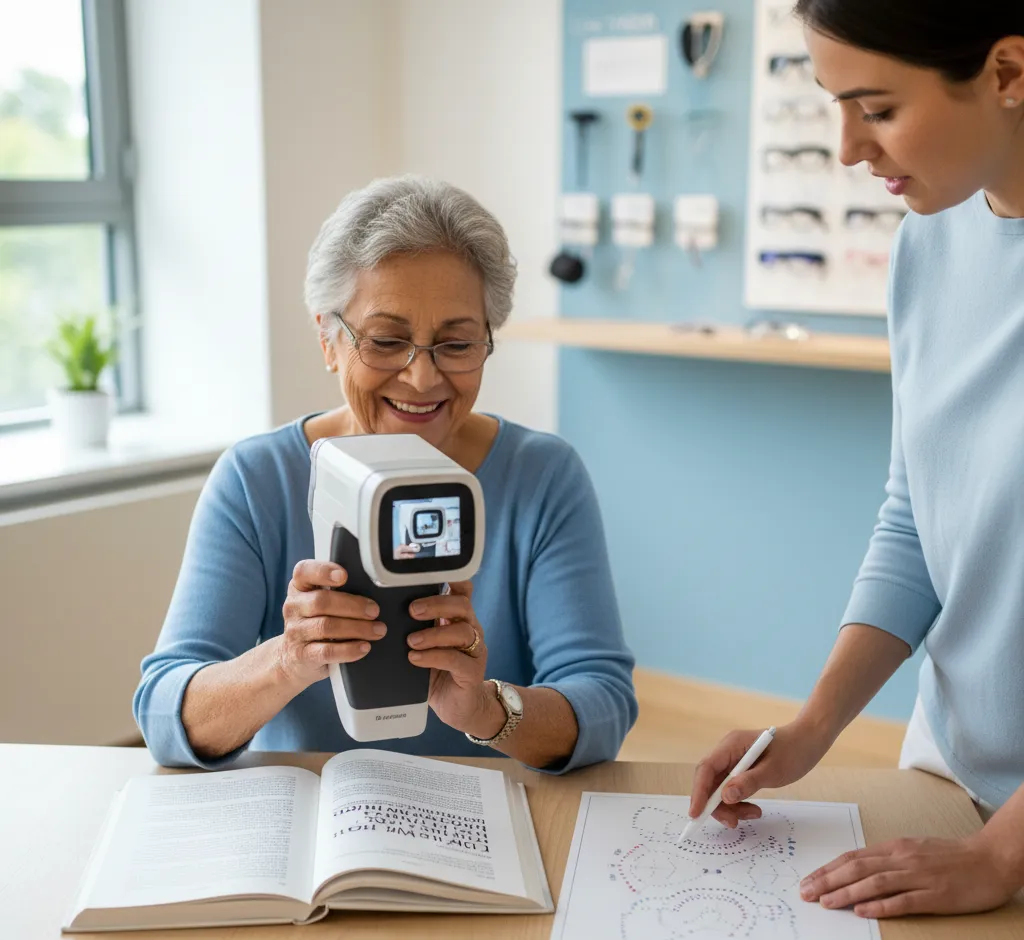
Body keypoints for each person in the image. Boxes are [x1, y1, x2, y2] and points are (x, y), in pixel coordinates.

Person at [690, 0, 1024, 920]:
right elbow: (916, 519)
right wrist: (812, 727)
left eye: (875, 109)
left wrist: (1002, 857)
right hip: (952, 773)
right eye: (832, 105)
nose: (846, 149)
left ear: (1007, 73)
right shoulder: (928, 243)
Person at [134, 176, 637, 773]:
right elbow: (165, 715)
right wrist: (289, 660)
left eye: (456, 343)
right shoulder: (257, 478)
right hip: (314, 828)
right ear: (328, 339)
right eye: (387, 340)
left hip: (486, 823)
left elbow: (602, 704)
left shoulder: (542, 476)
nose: (422, 379)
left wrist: (485, 709)